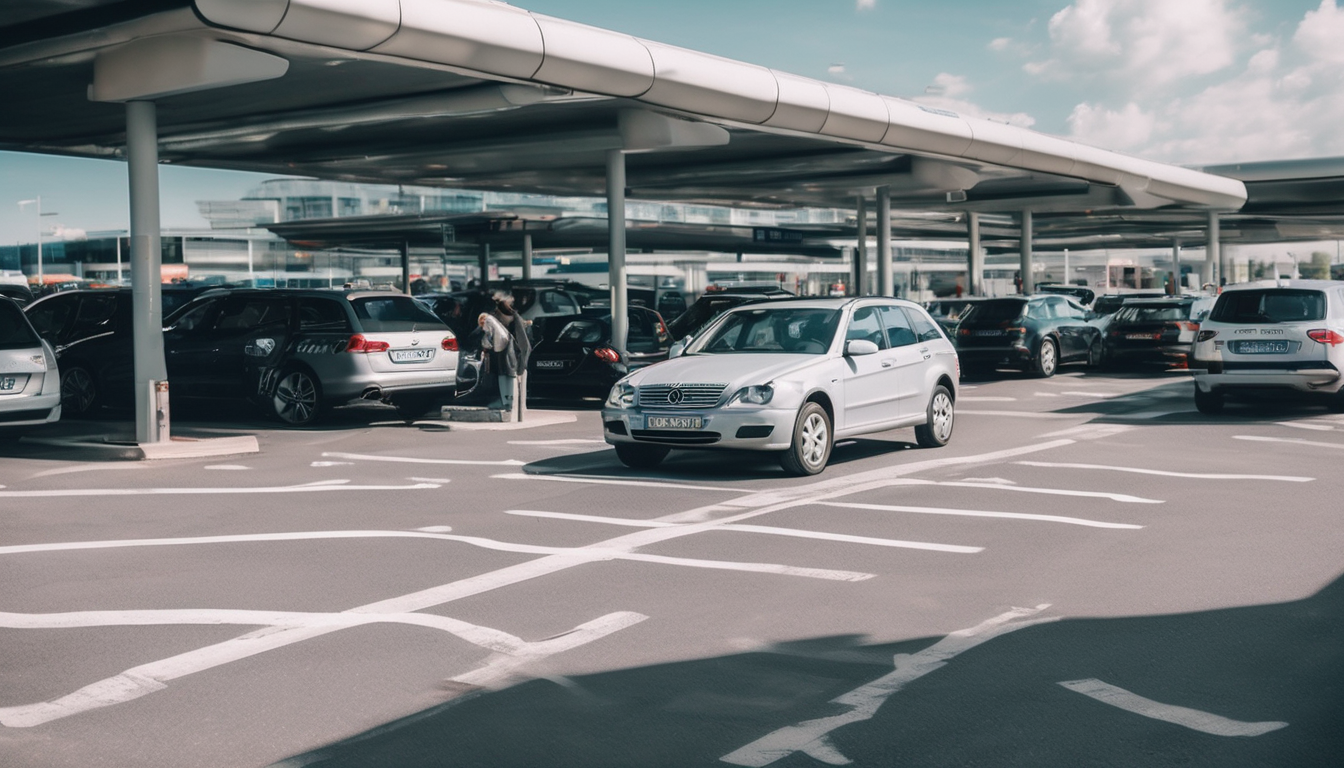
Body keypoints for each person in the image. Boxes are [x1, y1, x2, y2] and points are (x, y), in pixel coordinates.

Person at [484, 291, 532, 411]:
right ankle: (517, 405)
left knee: (507, 377)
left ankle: (508, 403)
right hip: (517, 353)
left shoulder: (500, 319)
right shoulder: (514, 317)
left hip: (509, 353)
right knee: (516, 379)